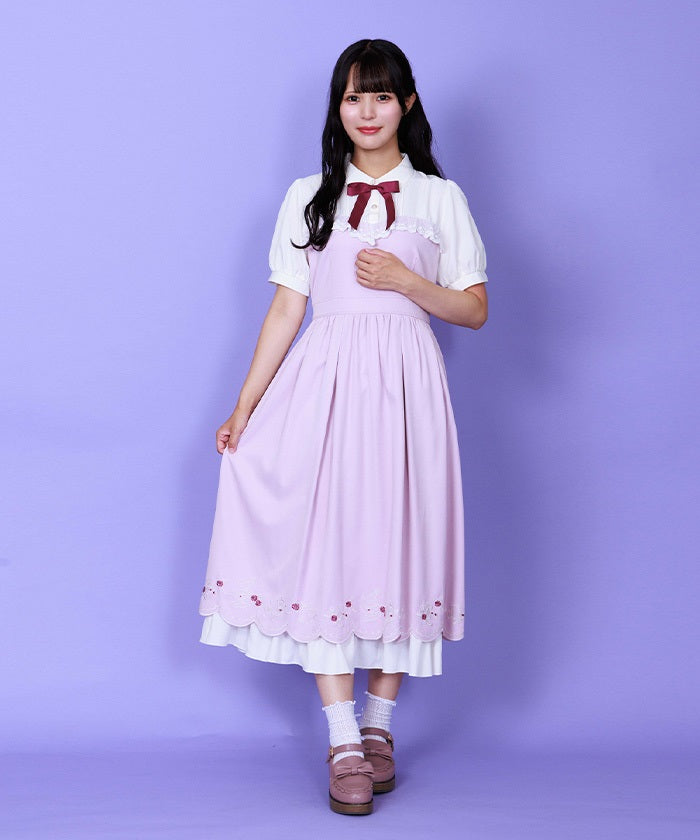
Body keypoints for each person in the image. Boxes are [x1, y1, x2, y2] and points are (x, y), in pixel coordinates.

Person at [197, 38, 489, 816]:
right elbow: (286, 309)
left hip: (408, 393)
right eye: (354, 96)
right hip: (323, 389)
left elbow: (474, 309)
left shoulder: (439, 198)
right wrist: (244, 406)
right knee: (325, 547)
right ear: (338, 107)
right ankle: (342, 737)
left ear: (407, 105)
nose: (367, 111)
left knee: (399, 545)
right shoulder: (308, 196)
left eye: (382, 96)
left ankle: (380, 725)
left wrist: (407, 280)